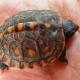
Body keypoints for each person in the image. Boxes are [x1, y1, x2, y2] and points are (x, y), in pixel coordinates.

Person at [0, 0, 80, 80]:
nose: (76, 28)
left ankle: (3, 60)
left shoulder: (52, 16)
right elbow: (60, 53)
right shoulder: (58, 45)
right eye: (73, 31)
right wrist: (63, 58)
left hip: (7, 27)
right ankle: (3, 61)